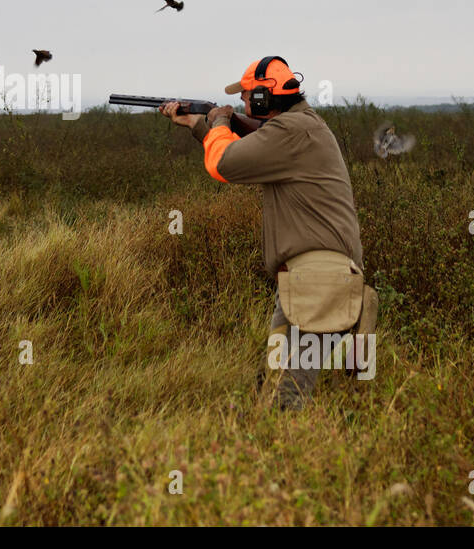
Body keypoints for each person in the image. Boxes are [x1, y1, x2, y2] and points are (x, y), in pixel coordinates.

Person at [160, 56, 374, 409]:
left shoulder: (292, 131)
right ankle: (269, 452)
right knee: (271, 385)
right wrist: (201, 126)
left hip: (319, 283)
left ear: (262, 100)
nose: (242, 103)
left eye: (247, 97)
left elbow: (224, 164)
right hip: (307, 280)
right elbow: (245, 151)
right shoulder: (301, 127)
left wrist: (220, 121)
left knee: (285, 397)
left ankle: (285, 457)